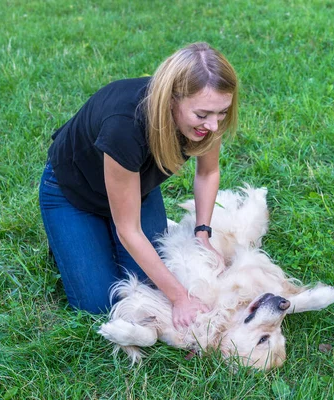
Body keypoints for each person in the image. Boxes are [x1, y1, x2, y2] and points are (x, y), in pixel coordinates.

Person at [38, 42, 239, 328]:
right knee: (98, 304)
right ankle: (71, 237)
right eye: (203, 115)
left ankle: (96, 237)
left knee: (147, 283)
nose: (214, 126)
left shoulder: (208, 114)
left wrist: (202, 233)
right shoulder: (125, 124)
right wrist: (180, 298)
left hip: (136, 188)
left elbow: (208, 173)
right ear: (172, 99)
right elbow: (129, 231)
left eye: (222, 113)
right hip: (73, 194)